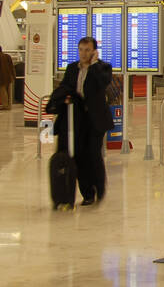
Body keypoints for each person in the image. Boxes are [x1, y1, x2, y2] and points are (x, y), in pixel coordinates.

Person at [45, 36, 115, 208]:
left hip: (96, 120)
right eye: (81, 50)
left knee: (93, 154)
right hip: (78, 119)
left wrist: (93, 65)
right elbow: (66, 86)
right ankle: (87, 193)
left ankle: (99, 188)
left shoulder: (103, 68)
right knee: (80, 156)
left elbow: (102, 83)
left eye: (87, 50)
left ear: (94, 51)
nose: (84, 54)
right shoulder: (71, 68)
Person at [0, 44, 16, 111]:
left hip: (0, 78)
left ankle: (5, 105)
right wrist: (13, 75)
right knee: (9, 92)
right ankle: (9, 106)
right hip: (9, 76)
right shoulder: (7, 56)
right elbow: (11, 66)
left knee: (3, 92)